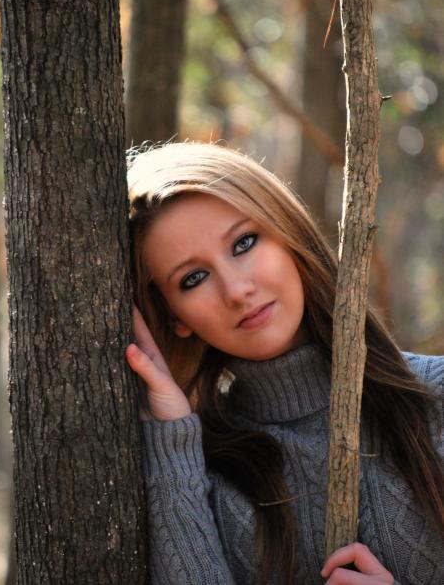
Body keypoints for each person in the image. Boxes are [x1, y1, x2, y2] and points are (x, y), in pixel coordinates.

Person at [125, 141, 444, 585]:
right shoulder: (197, 469)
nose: (236, 290)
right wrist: (171, 438)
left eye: (244, 243)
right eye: (193, 279)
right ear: (175, 318)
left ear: (288, 232)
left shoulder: (436, 396)